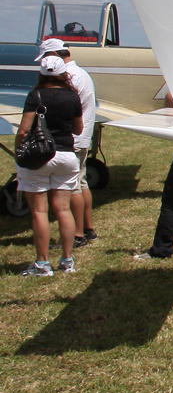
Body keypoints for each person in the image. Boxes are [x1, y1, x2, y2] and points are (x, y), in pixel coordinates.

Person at [15, 55, 84, 277]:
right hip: (67, 155)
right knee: (63, 210)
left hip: (41, 156)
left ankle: (42, 264)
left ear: (42, 73)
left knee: (39, 211)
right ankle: (67, 261)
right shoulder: (73, 97)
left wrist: (19, 151)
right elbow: (77, 130)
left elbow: (25, 129)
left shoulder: (35, 96)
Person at [37, 39, 99, 249]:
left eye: (46, 57)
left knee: (72, 188)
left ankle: (78, 235)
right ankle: (87, 229)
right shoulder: (81, 73)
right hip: (80, 137)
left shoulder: (68, 77)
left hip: (70, 140)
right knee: (80, 184)